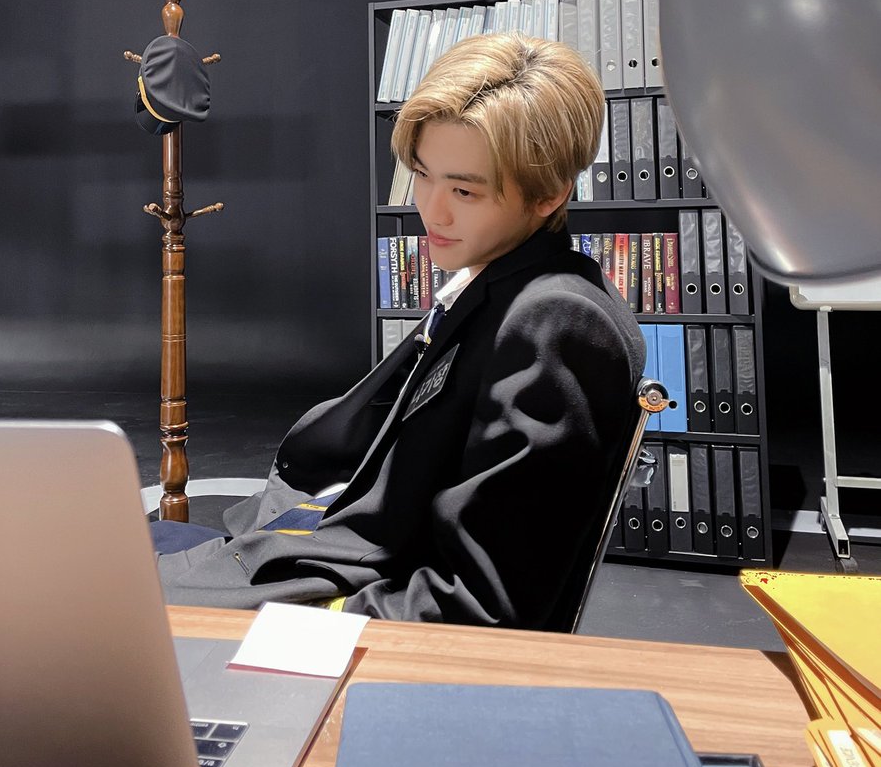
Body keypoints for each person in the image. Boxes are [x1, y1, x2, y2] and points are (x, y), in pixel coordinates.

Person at [155, 32, 646, 629]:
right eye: (421, 174)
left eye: (463, 190)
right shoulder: (508, 285)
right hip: (330, 537)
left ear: (549, 195)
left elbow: (480, 610)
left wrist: (291, 630)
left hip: (350, 604)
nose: (430, 210)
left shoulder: (555, 326)